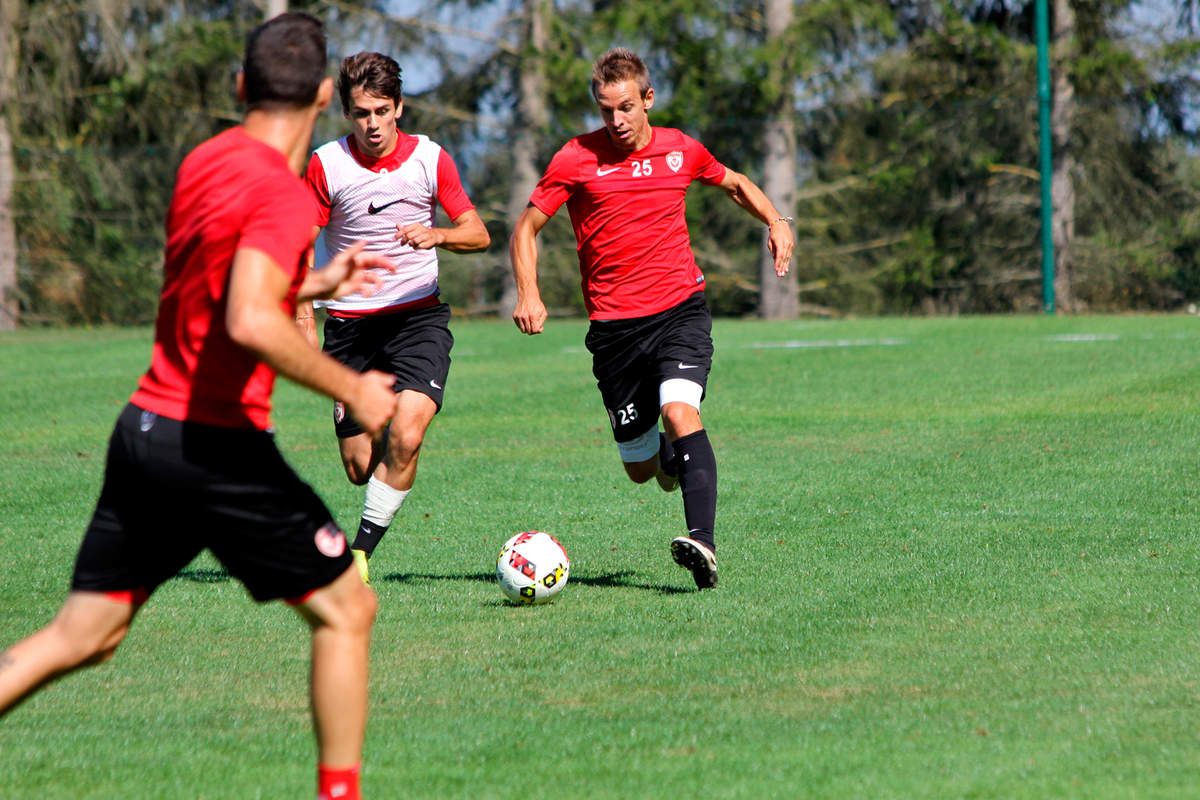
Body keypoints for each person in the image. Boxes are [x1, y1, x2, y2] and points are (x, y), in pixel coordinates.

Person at [0, 14, 395, 800]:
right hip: (214, 446)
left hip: (146, 431)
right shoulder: (285, 196)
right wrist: (352, 388)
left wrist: (310, 283)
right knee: (349, 610)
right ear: (325, 95)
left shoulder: (206, 160)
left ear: (242, 87)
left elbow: (216, 283)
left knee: (87, 636)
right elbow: (248, 319)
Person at [509, 47, 795, 589]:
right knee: (641, 469)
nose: (614, 121)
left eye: (624, 108)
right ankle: (665, 458)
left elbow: (734, 182)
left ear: (648, 99)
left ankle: (702, 544)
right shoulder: (574, 158)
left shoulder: (679, 149)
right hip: (615, 332)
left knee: (681, 411)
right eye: (604, 110)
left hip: (679, 311)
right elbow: (526, 228)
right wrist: (529, 292)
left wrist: (777, 220)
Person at [297, 51, 490, 585]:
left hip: (418, 321)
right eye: (362, 113)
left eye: (383, 111)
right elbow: (295, 243)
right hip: (350, 328)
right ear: (346, 113)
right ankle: (379, 429)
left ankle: (358, 555)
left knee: (408, 435)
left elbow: (478, 232)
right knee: (360, 468)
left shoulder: (430, 159)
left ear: (399, 107)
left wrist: (441, 235)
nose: (373, 124)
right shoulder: (326, 165)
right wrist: (302, 313)